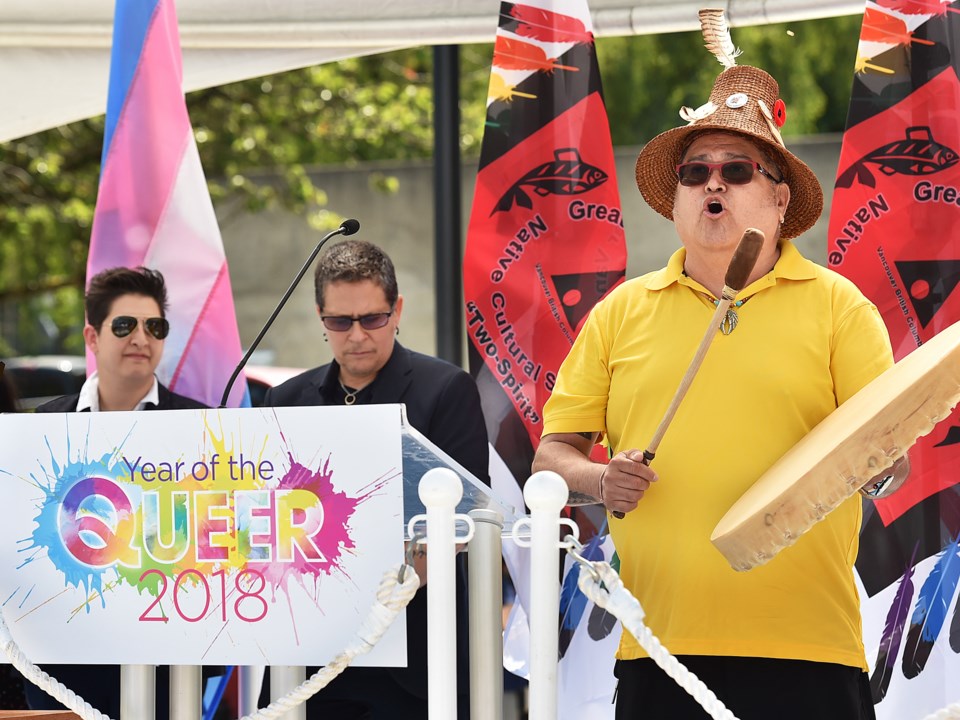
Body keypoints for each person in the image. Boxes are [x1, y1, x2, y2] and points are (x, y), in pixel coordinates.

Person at [532, 21, 910, 720]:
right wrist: (598, 478)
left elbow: (890, 456)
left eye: (737, 171)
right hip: (658, 650)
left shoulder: (838, 308)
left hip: (810, 652)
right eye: (695, 171)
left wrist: (881, 462)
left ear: (777, 200)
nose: (713, 184)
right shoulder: (621, 313)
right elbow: (553, 457)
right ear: (675, 199)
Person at [263, 238, 489, 719]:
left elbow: (465, 526)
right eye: (340, 322)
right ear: (321, 317)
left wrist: (358, 589)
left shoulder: (446, 390)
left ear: (397, 309)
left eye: (373, 318)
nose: (357, 334)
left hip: (419, 663)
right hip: (311, 660)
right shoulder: (284, 400)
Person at [27, 266, 206, 716]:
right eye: (124, 325)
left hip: (170, 658)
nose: (141, 338)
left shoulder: (203, 428)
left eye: (155, 327)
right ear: (92, 337)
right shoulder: (42, 428)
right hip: (61, 655)